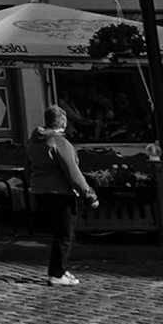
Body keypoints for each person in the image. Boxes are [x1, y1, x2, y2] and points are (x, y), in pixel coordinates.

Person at [27, 105, 99, 287]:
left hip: (39, 190)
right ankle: (57, 273)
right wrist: (89, 195)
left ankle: (60, 269)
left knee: (57, 232)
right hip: (60, 192)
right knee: (64, 234)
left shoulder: (34, 141)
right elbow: (73, 173)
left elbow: (28, 166)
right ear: (64, 123)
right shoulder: (60, 143)